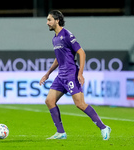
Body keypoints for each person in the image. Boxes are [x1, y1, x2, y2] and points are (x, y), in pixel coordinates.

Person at [39, 10, 111, 140]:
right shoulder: (54, 38)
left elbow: (81, 53)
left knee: (80, 104)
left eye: (49, 20)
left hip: (71, 74)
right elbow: (58, 58)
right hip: (61, 76)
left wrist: (80, 73)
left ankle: (103, 127)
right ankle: (61, 132)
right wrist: (47, 74)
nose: (47, 23)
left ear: (57, 20)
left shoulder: (67, 35)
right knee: (49, 101)